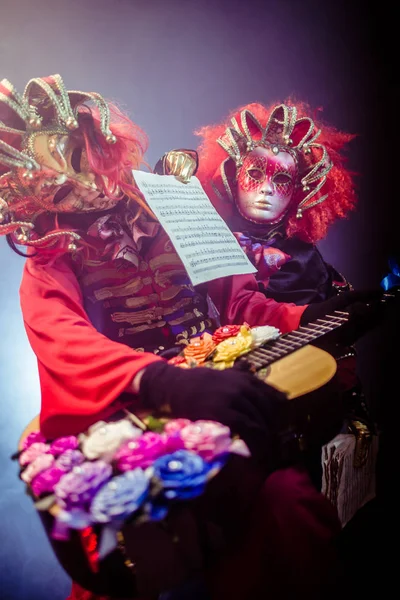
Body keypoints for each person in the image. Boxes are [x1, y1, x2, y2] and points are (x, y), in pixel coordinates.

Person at [1, 76, 370, 600]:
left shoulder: (175, 204)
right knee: (141, 556)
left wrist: (312, 313)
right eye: (55, 174)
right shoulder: (50, 255)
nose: (79, 179)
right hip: (136, 409)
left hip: (224, 385)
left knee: (288, 509)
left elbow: (241, 303)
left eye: (82, 155)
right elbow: (62, 339)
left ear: (104, 145)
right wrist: (158, 380)